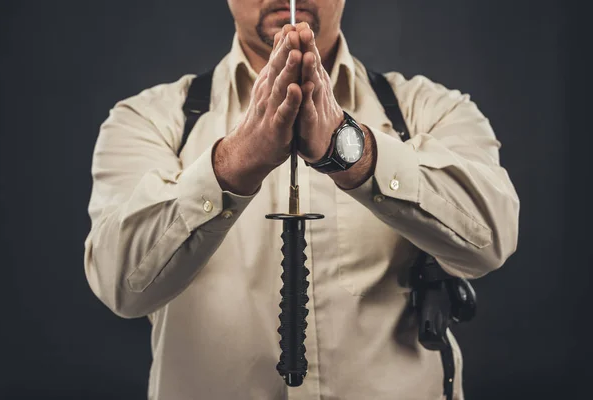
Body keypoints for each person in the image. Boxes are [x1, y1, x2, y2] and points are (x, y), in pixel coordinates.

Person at [84, 1, 520, 399]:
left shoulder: (429, 109)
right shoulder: (148, 120)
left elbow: (491, 238)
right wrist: (234, 164)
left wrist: (351, 151)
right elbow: (121, 283)